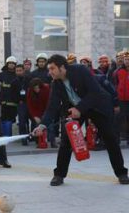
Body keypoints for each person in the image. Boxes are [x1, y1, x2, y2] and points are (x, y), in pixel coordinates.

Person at [33, 54, 129, 186]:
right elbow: (52, 107)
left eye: (52, 69)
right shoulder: (56, 83)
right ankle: (59, 175)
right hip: (75, 110)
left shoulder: (80, 70)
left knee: (110, 139)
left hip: (97, 106)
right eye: (49, 69)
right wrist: (42, 126)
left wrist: (79, 108)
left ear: (62, 67)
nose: (49, 72)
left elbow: (95, 92)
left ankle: (122, 173)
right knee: (66, 141)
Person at [26, 78, 56, 148]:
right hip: (37, 112)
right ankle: (39, 142)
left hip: (47, 111)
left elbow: (49, 103)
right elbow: (30, 105)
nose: (36, 90)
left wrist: (47, 115)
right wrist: (35, 116)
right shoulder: (30, 91)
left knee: (50, 126)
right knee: (37, 127)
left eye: (37, 88)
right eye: (34, 88)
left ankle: (53, 142)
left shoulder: (46, 89)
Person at [0, 56, 19, 137]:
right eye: (9, 63)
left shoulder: (16, 74)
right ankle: (5, 136)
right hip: (3, 102)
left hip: (13, 102)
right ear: (7, 64)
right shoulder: (1, 75)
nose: (11, 65)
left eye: (13, 63)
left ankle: (8, 136)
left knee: (10, 119)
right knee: (3, 119)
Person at [115, 52, 129, 146]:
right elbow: (114, 85)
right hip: (121, 99)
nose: (127, 61)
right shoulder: (118, 71)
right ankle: (117, 138)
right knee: (119, 118)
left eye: (128, 60)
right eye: (126, 60)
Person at [15, 64, 30, 145]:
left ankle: (32, 136)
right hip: (21, 104)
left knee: (32, 120)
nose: (18, 72)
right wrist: (18, 100)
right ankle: (23, 138)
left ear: (23, 71)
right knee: (22, 121)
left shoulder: (28, 79)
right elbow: (12, 94)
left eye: (20, 70)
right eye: (17, 71)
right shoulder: (14, 81)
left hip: (30, 102)